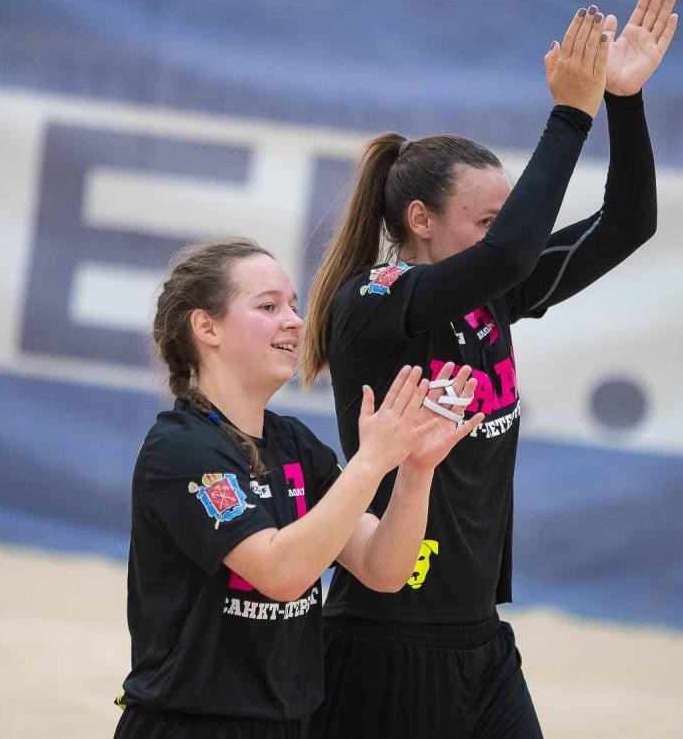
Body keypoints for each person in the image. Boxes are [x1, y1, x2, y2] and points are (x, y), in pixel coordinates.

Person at [300, 0, 678, 739]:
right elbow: (509, 252)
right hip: (385, 636)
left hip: (480, 637)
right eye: (486, 219)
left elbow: (629, 222)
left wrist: (623, 100)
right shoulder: (372, 301)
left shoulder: (493, 296)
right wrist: (570, 115)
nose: (509, 235)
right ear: (421, 220)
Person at [113, 237, 484, 739]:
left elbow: (384, 569)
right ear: (207, 327)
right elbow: (281, 572)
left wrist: (417, 469)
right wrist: (371, 461)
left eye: (293, 305)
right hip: (192, 725)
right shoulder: (180, 449)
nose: (294, 321)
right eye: (268, 307)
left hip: (290, 726)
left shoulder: (294, 444)